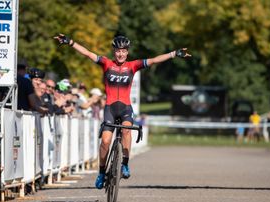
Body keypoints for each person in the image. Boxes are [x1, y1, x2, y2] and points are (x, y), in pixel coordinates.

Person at [54, 34, 191, 189]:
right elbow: (87, 53)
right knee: (105, 141)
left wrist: (174, 54)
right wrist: (70, 42)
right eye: (118, 51)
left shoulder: (133, 66)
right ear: (114, 52)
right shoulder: (106, 63)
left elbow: (153, 60)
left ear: (127, 52)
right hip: (110, 108)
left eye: (123, 51)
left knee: (126, 131)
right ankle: (101, 172)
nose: (120, 54)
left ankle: (125, 164)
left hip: (125, 108)